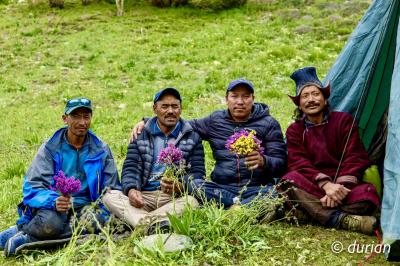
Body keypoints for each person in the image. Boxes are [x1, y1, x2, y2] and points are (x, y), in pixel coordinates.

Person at [132, 79, 287, 210]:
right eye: (234, 96)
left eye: (246, 97)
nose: (240, 102)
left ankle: (235, 207)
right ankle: (242, 207)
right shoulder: (215, 120)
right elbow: (182, 124)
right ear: (227, 99)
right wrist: (147, 121)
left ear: (253, 98)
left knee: (275, 193)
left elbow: (281, 162)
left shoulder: (268, 123)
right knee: (194, 184)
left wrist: (264, 161)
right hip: (222, 187)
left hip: (257, 187)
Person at [0, 98, 121, 256]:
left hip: (86, 208)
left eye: (86, 116)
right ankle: (31, 231)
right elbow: (32, 187)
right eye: (76, 116)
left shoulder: (101, 149)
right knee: (51, 223)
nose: (82, 122)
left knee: (100, 221)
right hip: (54, 207)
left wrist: (104, 213)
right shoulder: (50, 148)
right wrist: (53, 201)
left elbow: (112, 188)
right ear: (65, 119)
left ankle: (29, 239)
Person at [281, 66, 380, 234]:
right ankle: (342, 220)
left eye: (315, 94)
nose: (311, 99)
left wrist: (339, 188)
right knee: (289, 181)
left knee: (367, 195)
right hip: (315, 185)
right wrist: (326, 185)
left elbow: (355, 156)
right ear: (299, 104)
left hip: (343, 188)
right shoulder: (294, 131)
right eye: (305, 96)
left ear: (325, 99)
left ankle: (310, 213)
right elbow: (298, 162)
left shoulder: (343, 121)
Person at [103, 87, 205, 234]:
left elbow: (198, 173)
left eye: (175, 106)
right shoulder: (141, 134)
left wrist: (181, 185)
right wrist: (131, 189)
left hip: (173, 199)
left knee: (192, 202)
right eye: (164, 106)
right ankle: (156, 224)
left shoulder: (192, 137)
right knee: (109, 196)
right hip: (143, 197)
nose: (170, 111)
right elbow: (130, 167)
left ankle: (140, 224)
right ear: (154, 109)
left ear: (181, 109)